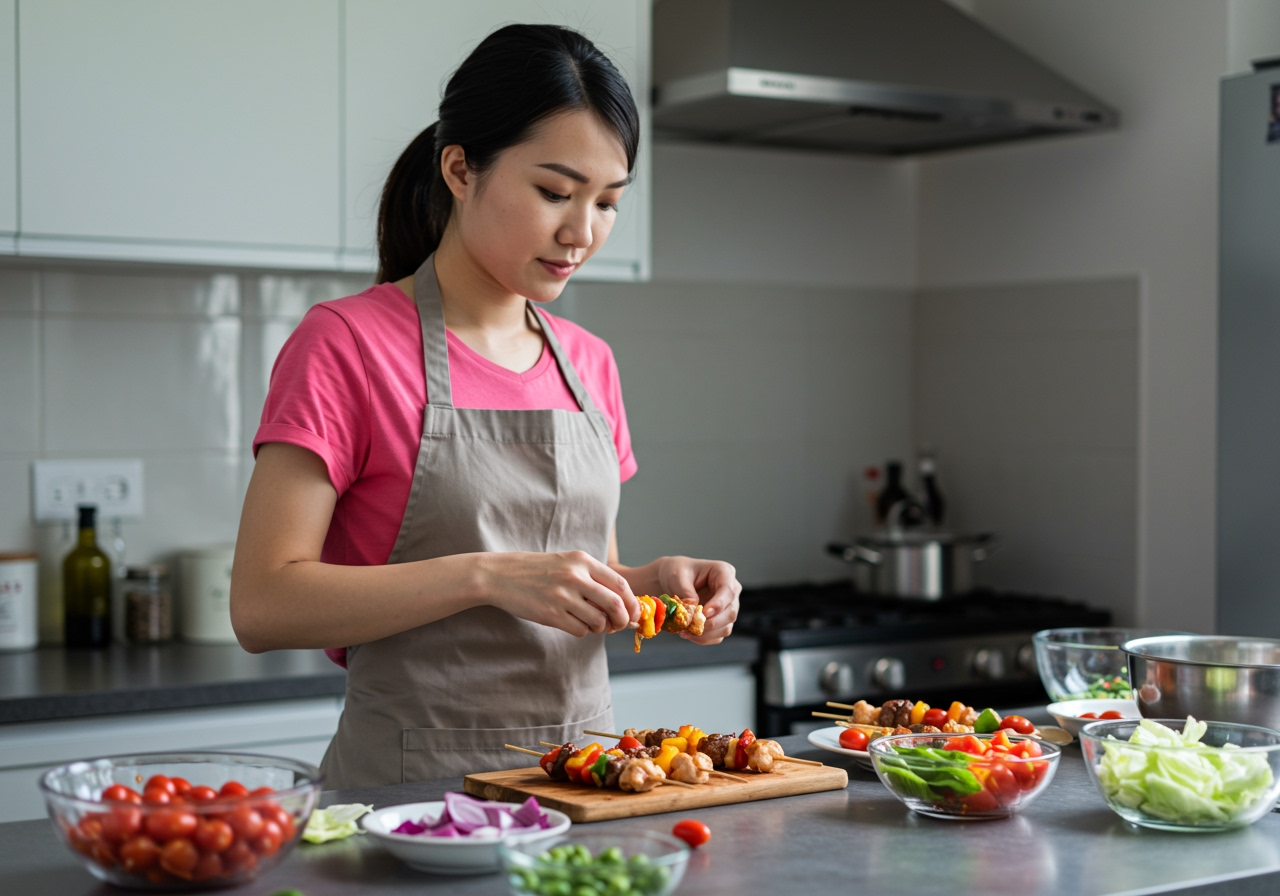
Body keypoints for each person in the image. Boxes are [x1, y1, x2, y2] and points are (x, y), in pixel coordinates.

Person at [229, 24, 741, 788]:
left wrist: (648, 585)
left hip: (584, 785)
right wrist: (484, 577)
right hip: (405, 797)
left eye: (607, 203)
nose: (581, 232)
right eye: (554, 193)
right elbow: (263, 605)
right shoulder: (346, 343)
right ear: (461, 169)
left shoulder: (589, 363)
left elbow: (580, 575)